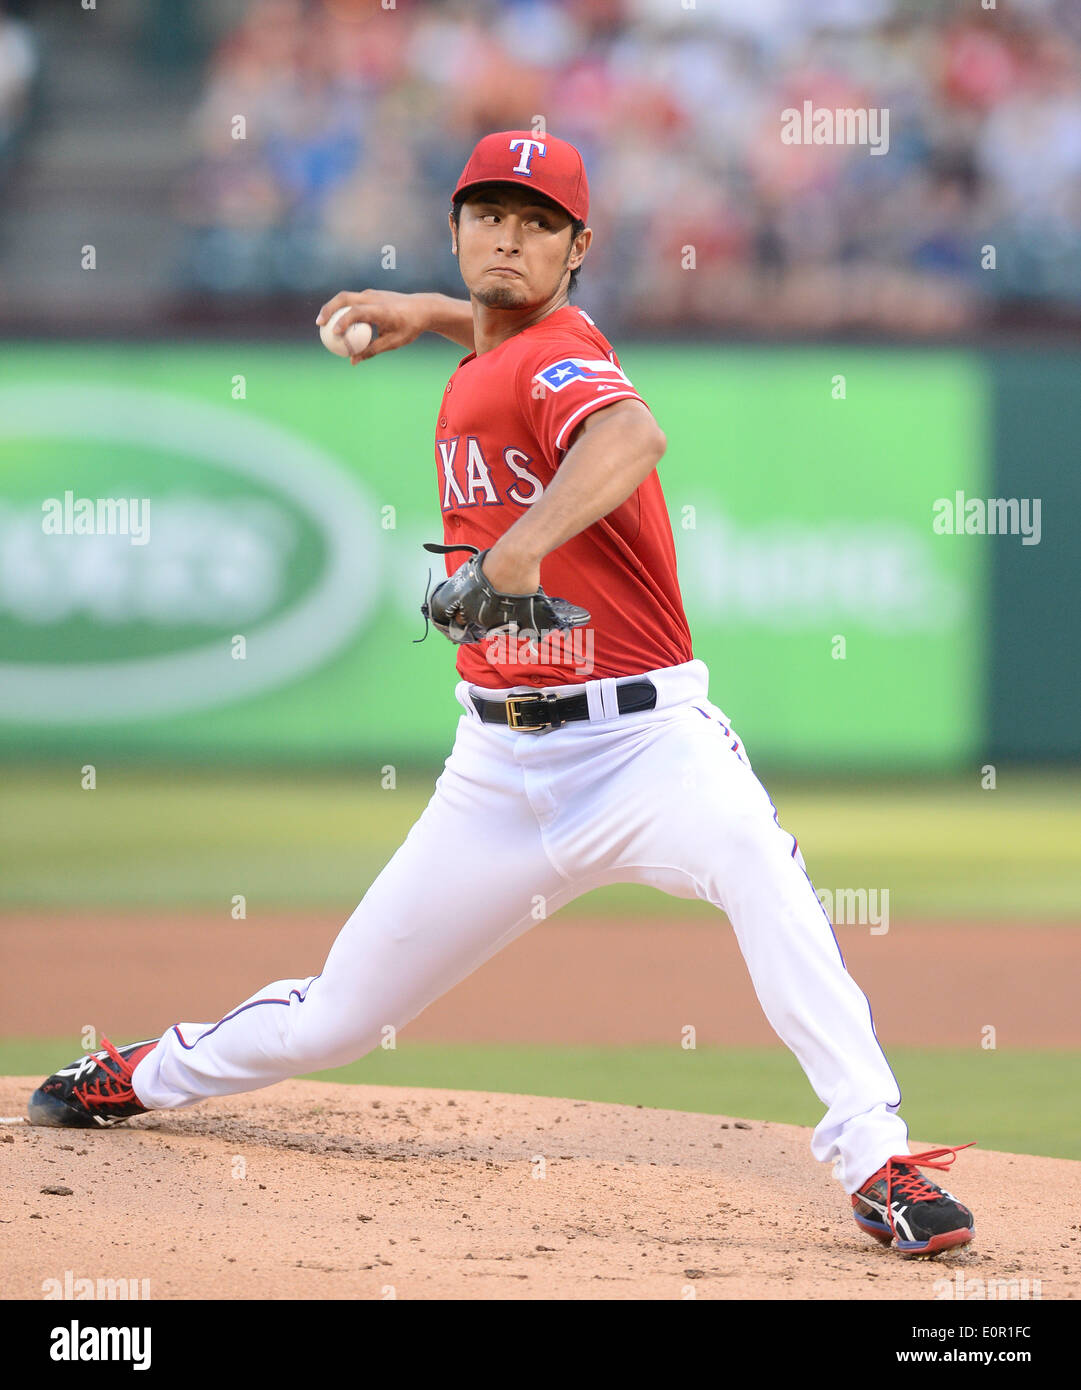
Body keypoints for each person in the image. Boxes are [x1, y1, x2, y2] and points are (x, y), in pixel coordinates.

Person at [30, 130, 974, 1258]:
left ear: (580, 248)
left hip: (647, 750)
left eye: (538, 223)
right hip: (495, 770)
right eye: (490, 214)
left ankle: (876, 1161)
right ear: (456, 226)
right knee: (338, 1016)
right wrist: (428, 311)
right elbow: (496, 344)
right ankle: (137, 1071)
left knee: (764, 877)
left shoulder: (565, 351)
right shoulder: (489, 356)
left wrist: (519, 552)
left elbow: (630, 430)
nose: (509, 236)